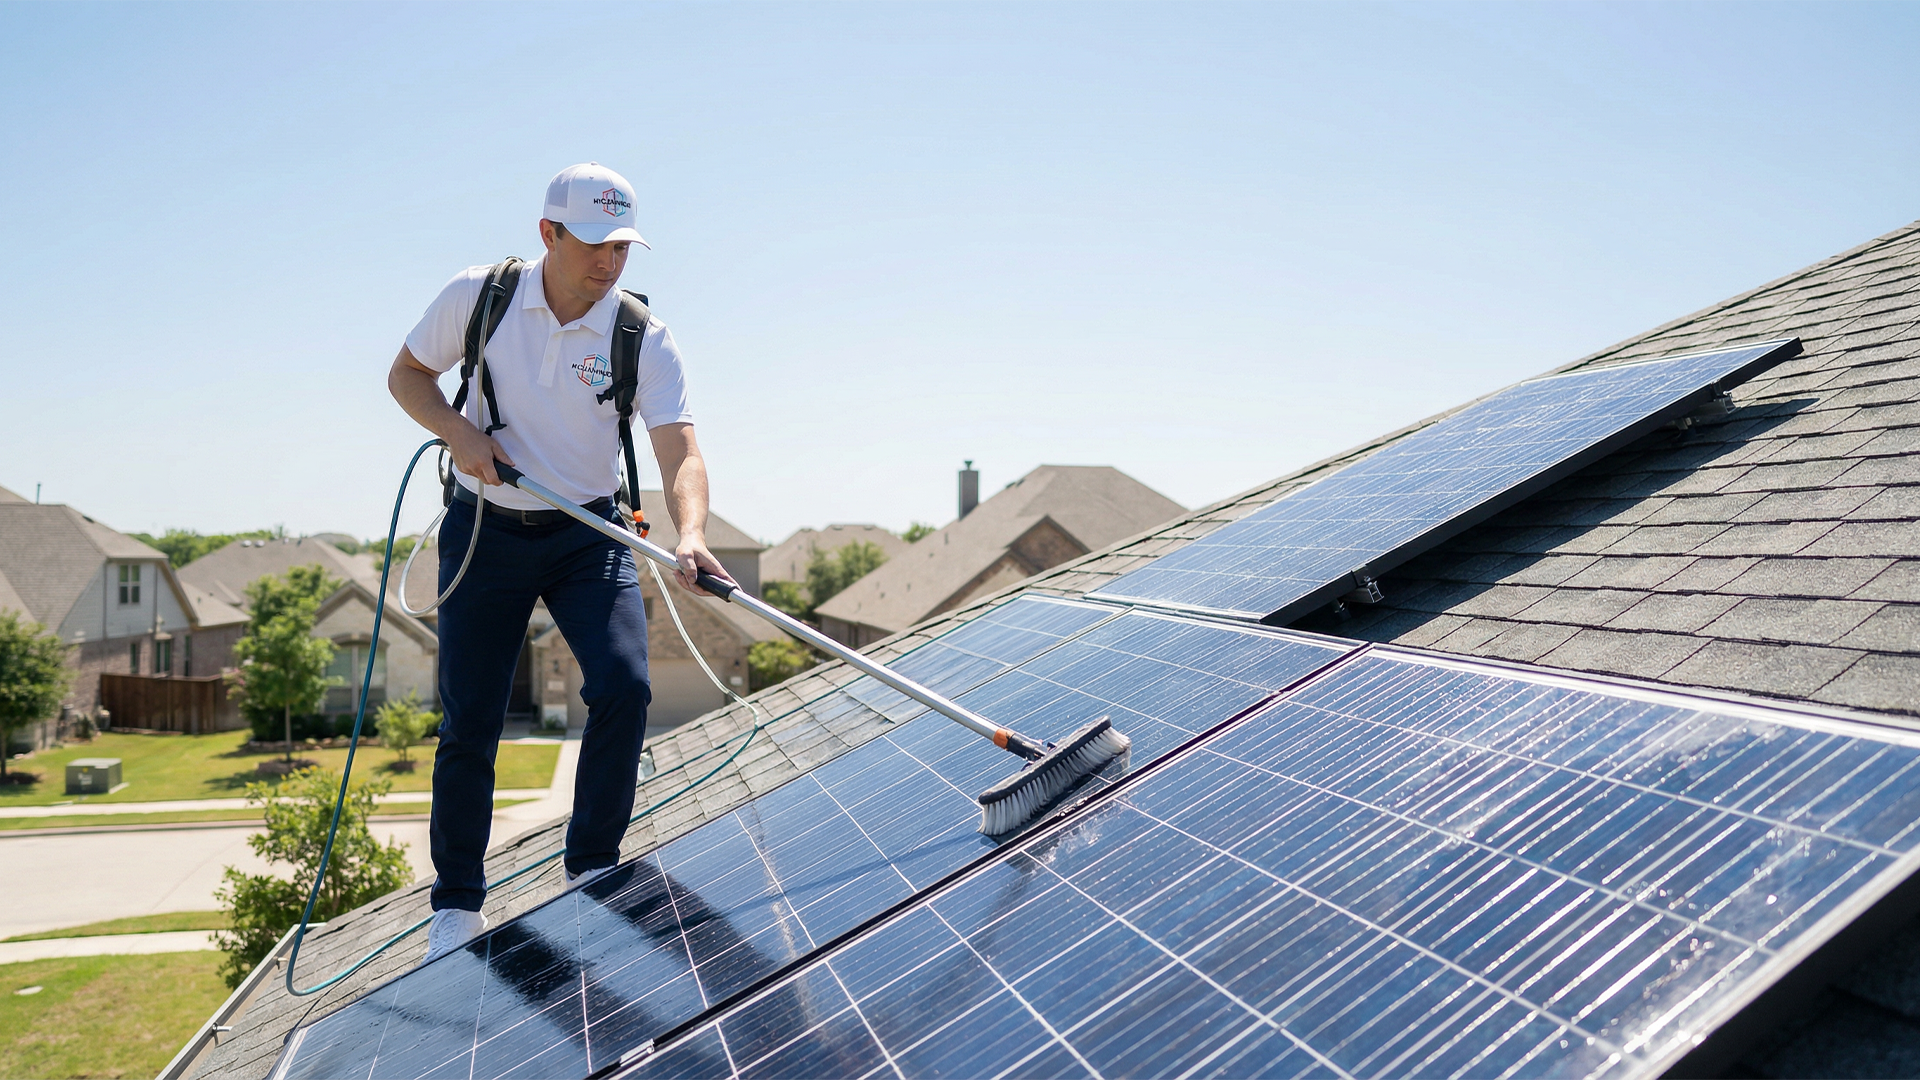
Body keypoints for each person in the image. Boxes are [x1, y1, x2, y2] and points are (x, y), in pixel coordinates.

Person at [387, 162, 730, 962]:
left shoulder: (640, 334)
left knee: (625, 687)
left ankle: (591, 868)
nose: (610, 263)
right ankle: (457, 904)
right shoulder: (480, 297)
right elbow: (407, 376)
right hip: (484, 531)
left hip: (589, 534)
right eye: (595, 244)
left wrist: (689, 531)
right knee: (470, 718)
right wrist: (459, 433)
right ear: (549, 233)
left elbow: (681, 448)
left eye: (623, 246)